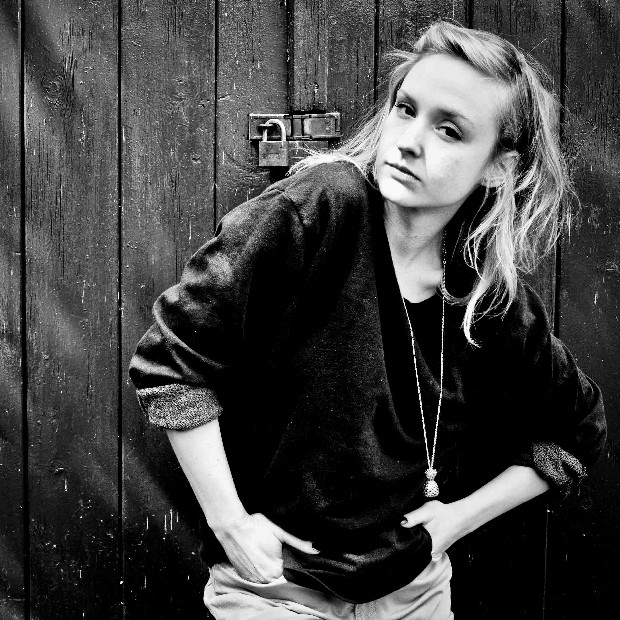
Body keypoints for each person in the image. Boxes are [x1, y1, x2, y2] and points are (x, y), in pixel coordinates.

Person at [129, 21, 606, 620]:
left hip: (414, 592)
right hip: (275, 588)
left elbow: (576, 430)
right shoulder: (319, 211)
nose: (408, 140)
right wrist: (230, 525)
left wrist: (454, 522)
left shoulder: (484, 295)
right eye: (406, 109)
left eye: (449, 130)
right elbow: (170, 362)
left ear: (498, 168)